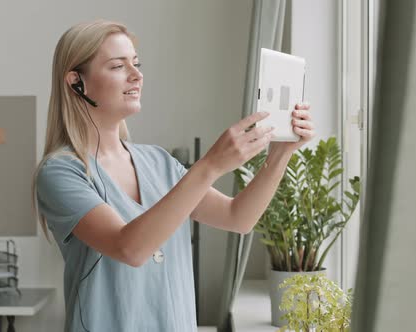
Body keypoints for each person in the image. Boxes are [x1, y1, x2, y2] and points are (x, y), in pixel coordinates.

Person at [33, 19, 314, 332]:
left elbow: (239, 217)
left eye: (136, 63)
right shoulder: (60, 171)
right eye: (117, 66)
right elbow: (130, 248)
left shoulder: (158, 162)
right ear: (76, 82)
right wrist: (210, 166)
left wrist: (280, 154)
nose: (137, 75)